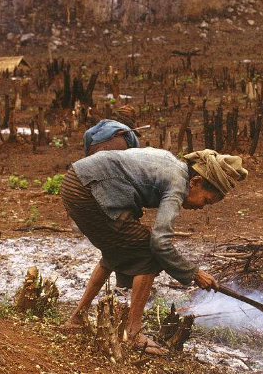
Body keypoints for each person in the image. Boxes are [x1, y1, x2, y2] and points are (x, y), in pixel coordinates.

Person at [61, 148, 248, 354]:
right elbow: (160, 243)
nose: (202, 207)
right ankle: (133, 334)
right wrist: (193, 272)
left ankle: (77, 318)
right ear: (195, 182)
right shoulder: (178, 184)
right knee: (150, 253)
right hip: (88, 190)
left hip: (76, 180)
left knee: (117, 248)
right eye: (205, 200)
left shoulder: (174, 166)